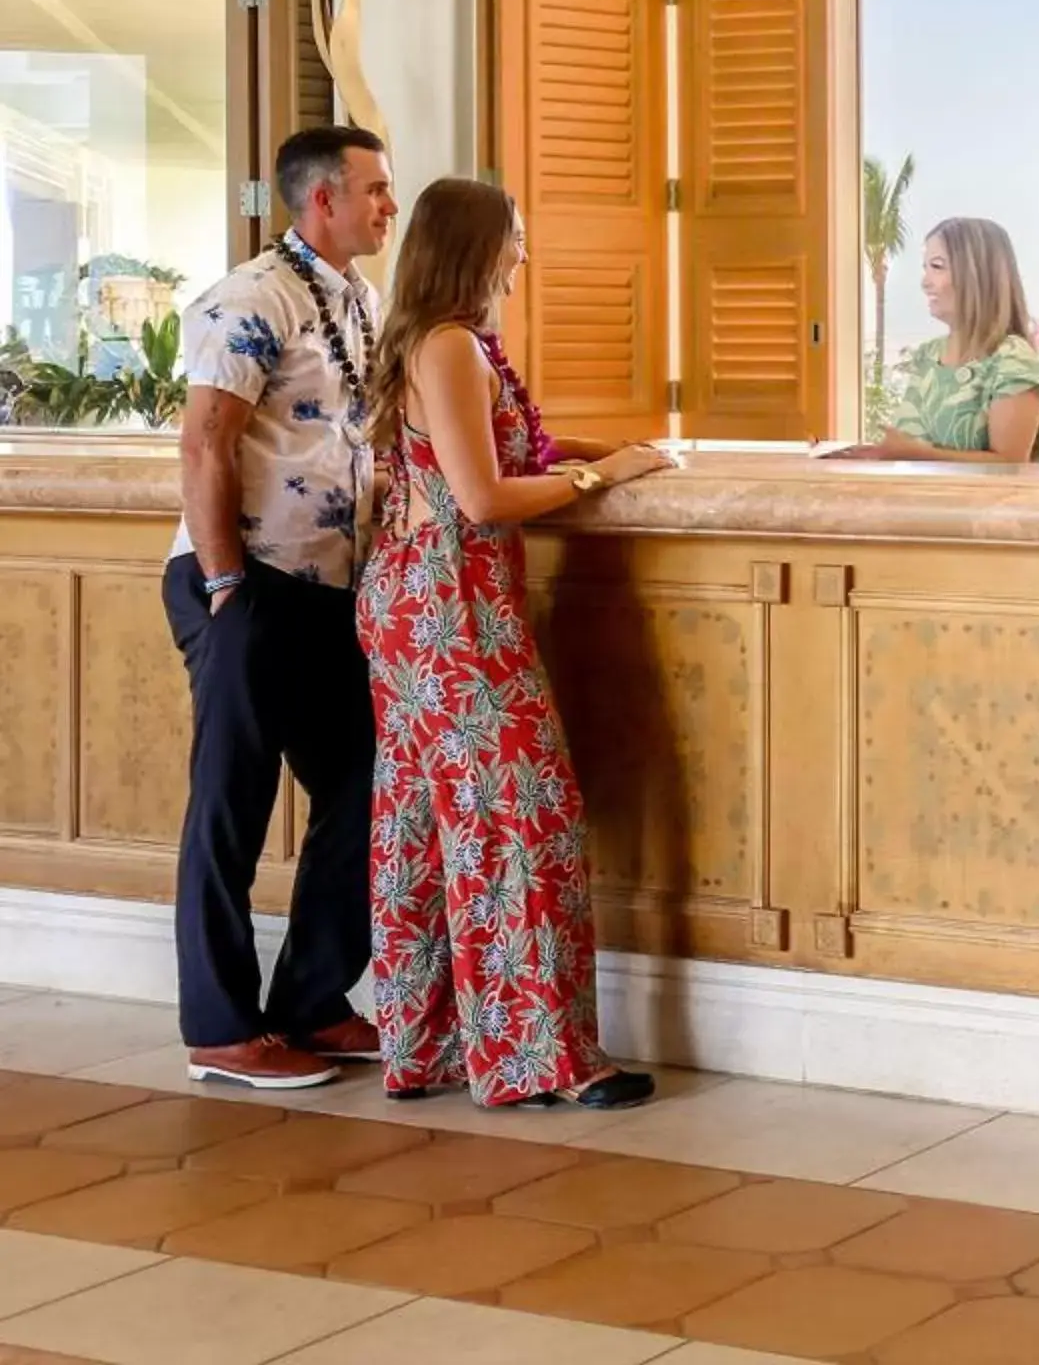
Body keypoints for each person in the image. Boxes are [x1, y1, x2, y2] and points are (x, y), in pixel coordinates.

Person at [355, 177, 675, 1108]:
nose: (525, 255)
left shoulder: (429, 340)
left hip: (415, 602)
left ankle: (430, 1047)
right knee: (524, 818)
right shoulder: (450, 346)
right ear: (478, 248)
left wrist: (614, 450)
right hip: (454, 611)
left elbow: (499, 451)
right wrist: (598, 478)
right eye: (516, 238)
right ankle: (541, 1060)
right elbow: (484, 497)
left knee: (422, 821)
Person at [164, 125, 398, 1090]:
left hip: (327, 593)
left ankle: (311, 1000)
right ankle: (221, 1027)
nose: (390, 205)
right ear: (322, 203)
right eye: (376, 190)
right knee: (233, 803)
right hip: (246, 585)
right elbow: (204, 445)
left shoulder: (358, 297)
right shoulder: (252, 297)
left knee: (364, 784)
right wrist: (225, 588)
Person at [828, 216, 1039, 462]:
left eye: (937, 267)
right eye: (925, 268)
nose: (925, 283)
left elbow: (1010, 464)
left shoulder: (1013, 359)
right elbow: (909, 444)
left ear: (976, 274)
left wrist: (916, 454)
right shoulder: (926, 355)